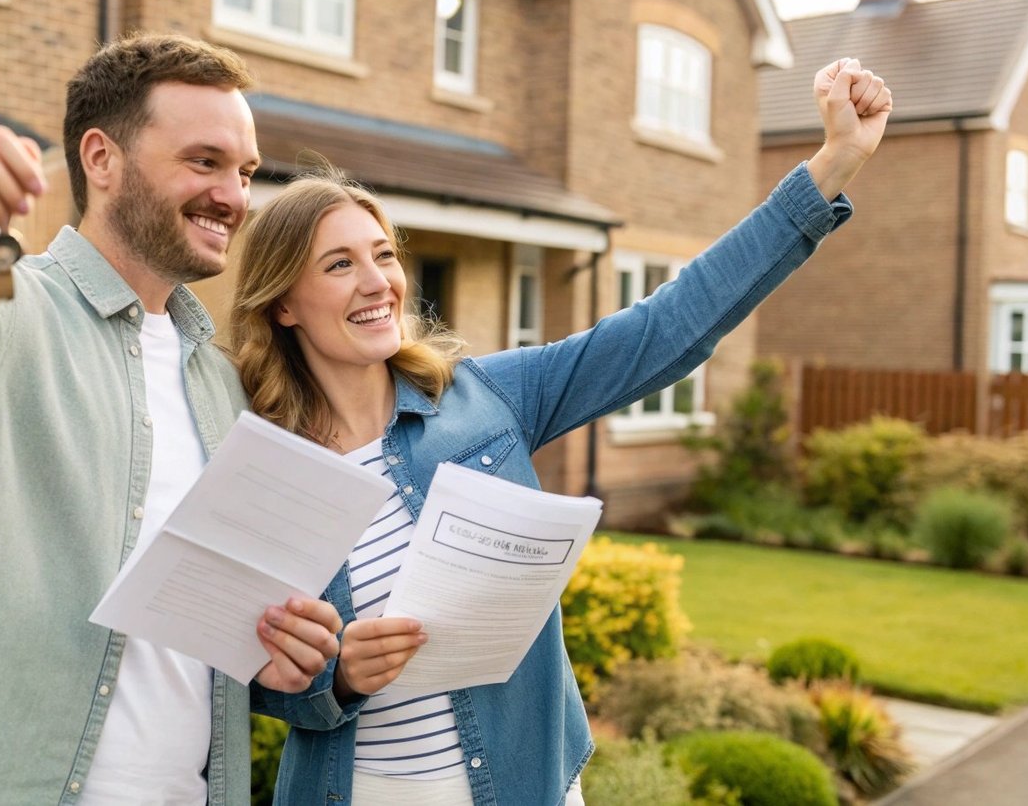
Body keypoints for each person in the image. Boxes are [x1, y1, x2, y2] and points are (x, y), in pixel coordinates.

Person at [231, 58, 893, 805]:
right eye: (339, 265)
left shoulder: (487, 398)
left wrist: (834, 162)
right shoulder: (262, 467)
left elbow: (671, 325)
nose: (377, 281)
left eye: (383, 255)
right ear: (283, 303)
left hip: (526, 786)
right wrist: (336, 676)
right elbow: (239, 669)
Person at [0, 33, 346, 804]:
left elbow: (195, 644)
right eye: (204, 162)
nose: (234, 195)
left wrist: (279, 654)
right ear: (102, 159)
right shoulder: (7, 306)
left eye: (246, 171)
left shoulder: (221, 385)